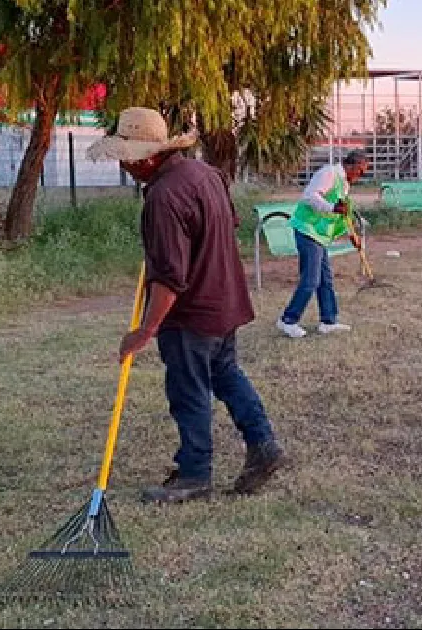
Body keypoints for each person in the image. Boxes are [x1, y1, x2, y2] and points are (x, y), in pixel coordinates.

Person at [87, 106, 286, 503]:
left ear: (148, 156)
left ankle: (195, 475)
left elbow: (170, 279)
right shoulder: (207, 175)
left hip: (192, 314)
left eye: (127, 159)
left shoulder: (163, 196)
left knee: (189, 390)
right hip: (225, 301)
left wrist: (145, 330)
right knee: (227, 375)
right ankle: (263, 444)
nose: (125, 168)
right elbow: (226, 225)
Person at [276, 149, 369, 339]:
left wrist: (351, 235)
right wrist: (332, 207)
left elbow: (343, 213)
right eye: (360, 171)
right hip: (307, 230)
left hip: (319, 235)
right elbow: (310, 197)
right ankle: (288, 320)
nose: (360, 176)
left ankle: (328, 321)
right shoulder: (329, 174)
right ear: (350, 165)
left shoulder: (344, 184)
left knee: (325, 279)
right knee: (311, 280)